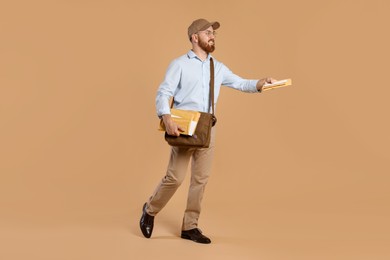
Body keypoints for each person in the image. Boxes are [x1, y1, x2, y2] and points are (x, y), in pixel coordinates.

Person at [140, 18, 277, 244]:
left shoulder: (218, 66)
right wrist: (166, 117)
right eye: (208, 33)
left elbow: (242, 83)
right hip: (183, 127)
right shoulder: (179, 64)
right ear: (195, 37)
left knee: (200, 180)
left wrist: (261, 83)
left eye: (213, 33)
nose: (213, 36)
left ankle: (190, 227)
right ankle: (150, 210)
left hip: (207, 129)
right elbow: (163, 92)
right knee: (175, 178)